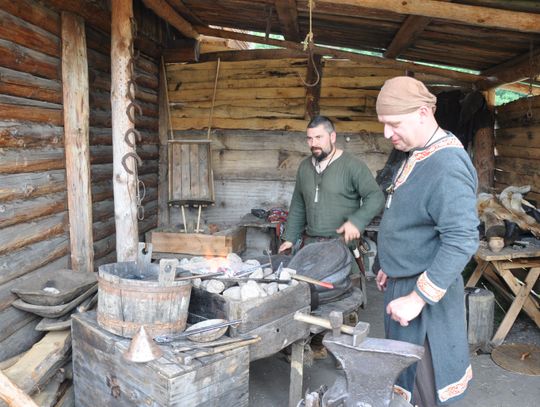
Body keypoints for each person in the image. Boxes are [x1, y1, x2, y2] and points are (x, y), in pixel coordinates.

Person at [375, 77, 479, 406]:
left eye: (394, 124)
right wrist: (388, 265)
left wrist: (417, 298)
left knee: (427, 392)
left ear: (422, 113)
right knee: (407, 386)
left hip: (425, 308)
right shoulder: (418, 152)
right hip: (401, 285)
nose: (387, 134)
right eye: (383, 125)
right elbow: (413, 221)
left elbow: (462, 239)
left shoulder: (446, 165)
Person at [278, 115, 384, 268]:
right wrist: (289, 238)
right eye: (309, 138)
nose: (313, 144)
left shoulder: (353, 166)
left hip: (343, 246)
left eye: (319, 137)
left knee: (343, 289)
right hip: (311, 246)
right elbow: (298, 204)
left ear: (332, 137)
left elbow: (375, 197)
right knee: (307, 288)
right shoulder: (304, 167)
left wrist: (357, 221)